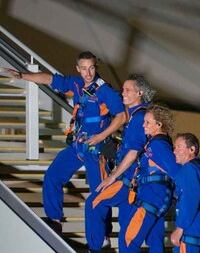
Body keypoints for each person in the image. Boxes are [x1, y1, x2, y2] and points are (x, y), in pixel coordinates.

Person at [3, 52, 126, 235]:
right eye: (84, 68)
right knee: (52, 176)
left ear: (96, 68)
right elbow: (49, 79)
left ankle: (101, 237)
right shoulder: (75, 84)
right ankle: (54, 220)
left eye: (91, 68)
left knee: (98, 193)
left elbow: (122, 116)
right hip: (78, 146)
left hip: (97, 150)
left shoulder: (106, 91)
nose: (88, 73)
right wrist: (23, 76)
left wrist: (102, 136)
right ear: (78, 69)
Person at [98, 102, 177, 253]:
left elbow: (176, 172)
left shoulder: (158, 146)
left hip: (151, 198)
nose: (143, 125)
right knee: (155, 240)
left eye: (147, 122)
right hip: (158, 199)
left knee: (127, 238)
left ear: (158, 124)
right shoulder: (159, 143)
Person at [84, 74, 155, 253]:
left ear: (140, 93)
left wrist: (112, 177)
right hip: (134, 183)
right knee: (125, 229)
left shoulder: (139, 116)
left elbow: (133, 153)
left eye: (128, 90)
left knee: (93, 202)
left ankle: (94, 250)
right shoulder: (138, 116)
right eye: (123, 89)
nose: (123, 93)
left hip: (127, 180)